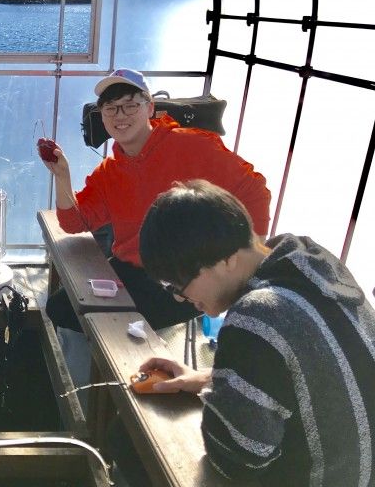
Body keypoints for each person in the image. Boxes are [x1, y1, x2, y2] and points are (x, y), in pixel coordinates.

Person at [130, 179, 375, 487]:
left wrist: (223, 393)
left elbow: (236, 458)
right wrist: (210, 378)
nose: (182, 298)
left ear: (227, 259)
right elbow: (311, 368)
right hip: (361, 483)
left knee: (134, 444)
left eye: (180, 284)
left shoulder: (257, 315)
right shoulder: (309, 260)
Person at [41, 68, 271, 331]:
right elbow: (74, 222)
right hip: (130, 271)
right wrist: (62, 175)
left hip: (183, 277)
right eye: (111, 108)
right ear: (102, 116)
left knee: (111, 330)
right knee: (59, 308)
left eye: (130, 106)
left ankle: (134, 361)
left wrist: (239, 263)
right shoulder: (109, 172)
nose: (120, 116)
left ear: (150, 108)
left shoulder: (192, 146)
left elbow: (255, 191)